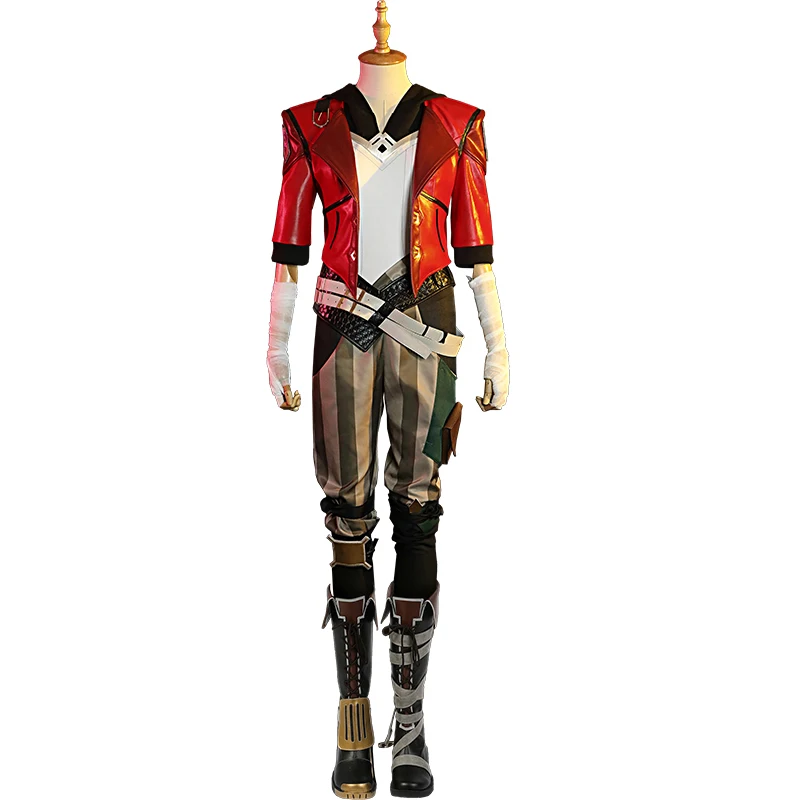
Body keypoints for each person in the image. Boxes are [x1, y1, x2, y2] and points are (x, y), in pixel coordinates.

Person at [266, 4, 509, 797]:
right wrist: (274, 346)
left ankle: (410, 725)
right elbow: (288, 253)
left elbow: (476, 252)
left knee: (418, 510)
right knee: (346, 516)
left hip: (427, 327)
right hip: (340, 327)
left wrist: (499, 345)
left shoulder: (457, 124)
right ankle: (352, 719)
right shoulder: (308, 124)